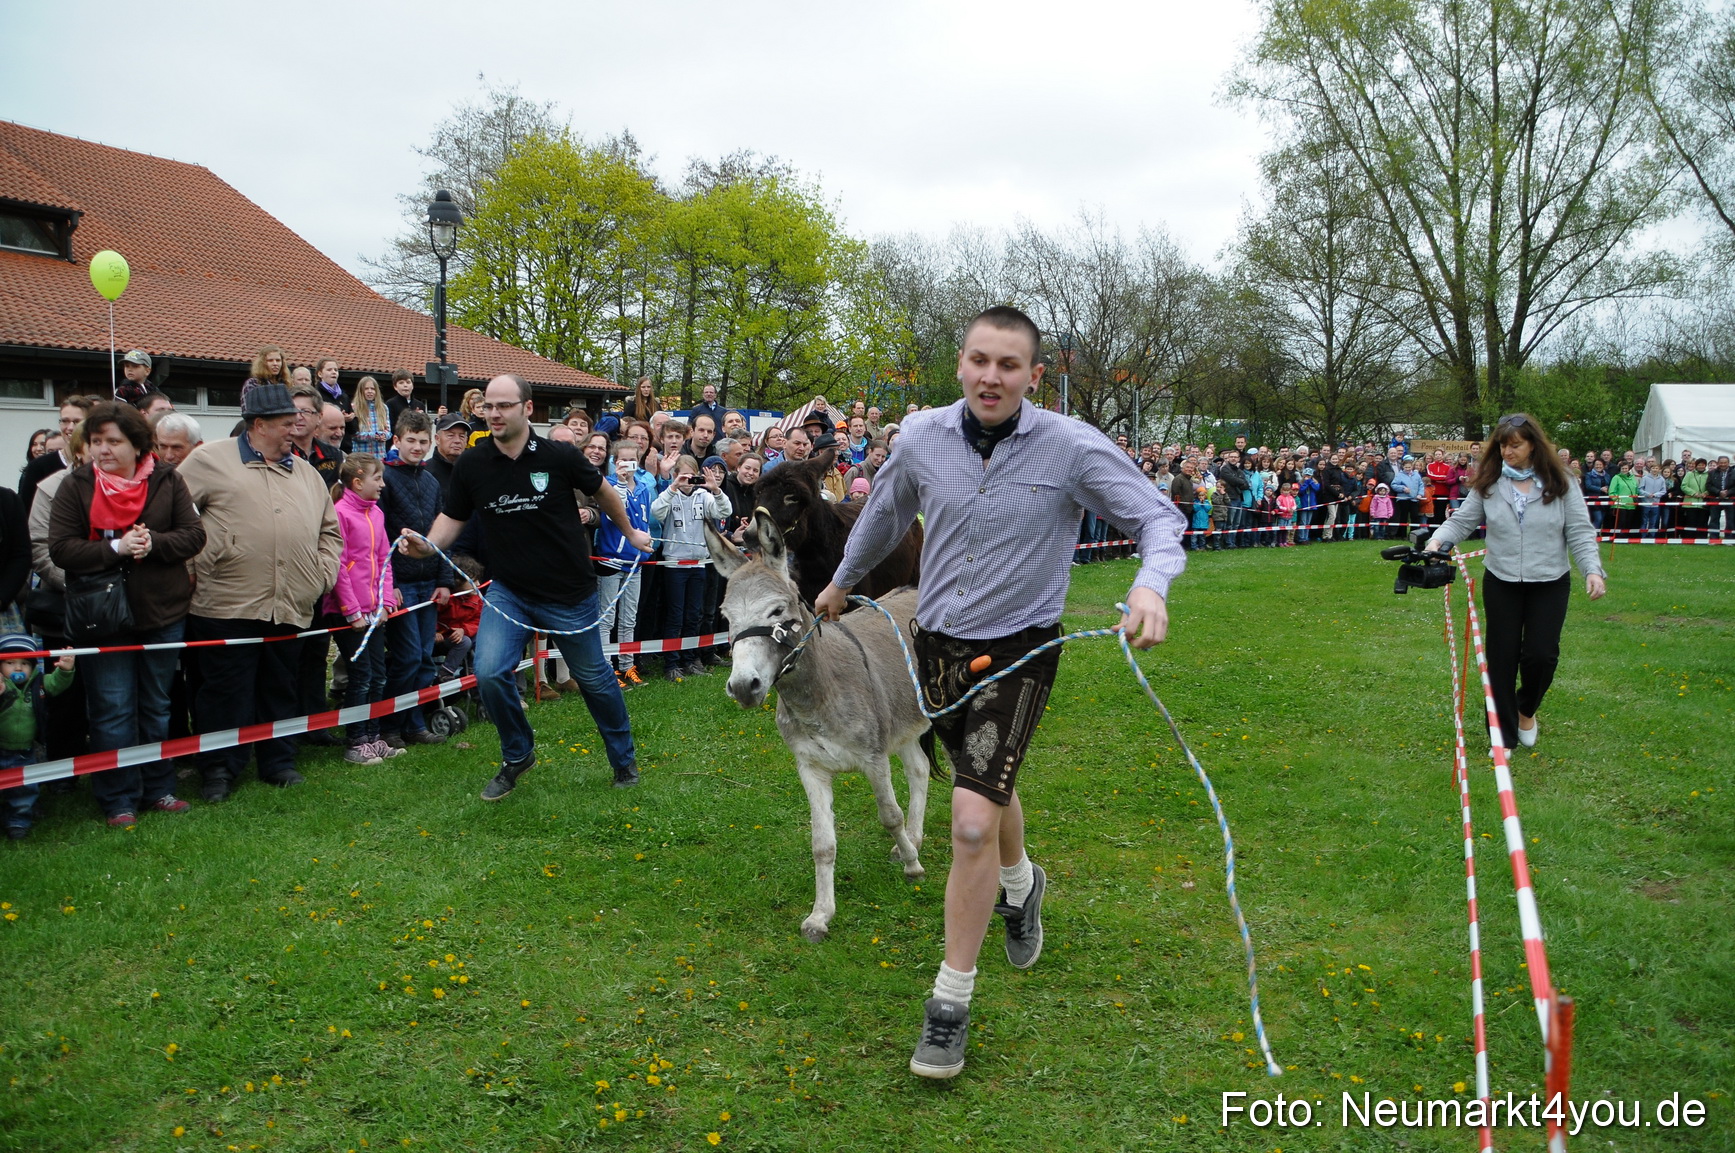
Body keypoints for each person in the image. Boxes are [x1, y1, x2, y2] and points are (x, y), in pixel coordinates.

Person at [813, 305, 1183, 1081]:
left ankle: (948, 1003)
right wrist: (840, 583)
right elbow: (883, 514)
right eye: (980, 360)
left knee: (971, 819)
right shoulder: (919, 437)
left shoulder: (1072, 446)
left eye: (1008, 365)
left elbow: (1157, 518)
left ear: (1032, 375)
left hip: (1021, 648)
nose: (991, 376)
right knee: (989, 783)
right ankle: (1022, 883)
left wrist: (1151, 588)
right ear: (960, 362)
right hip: (936, 645)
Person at [399, 374, 655, 798]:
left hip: (569, 594)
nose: (494, 413)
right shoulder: (474, 464)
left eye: (504, 405)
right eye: (489, 407)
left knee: (594, 680)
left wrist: (629, 532)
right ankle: (518, 754)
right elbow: (452, 519)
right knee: (489, 671)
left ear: (527, 409)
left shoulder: (559, 456)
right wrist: (427, 546)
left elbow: (605, 492)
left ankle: (623, 760)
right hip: (509, 593)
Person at [176, 383, 342, 801]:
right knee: (224, 693)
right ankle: (218, 769)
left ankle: (278, 760)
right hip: (225, 602)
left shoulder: (305, 472)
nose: (296, 428)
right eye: (287, 422)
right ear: (259, 424)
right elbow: (172, 517)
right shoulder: (208, 460)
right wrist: (193, 567)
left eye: (299, 420)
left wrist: (321, 575)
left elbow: (330, 532)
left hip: (290, 603)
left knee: (279, 685)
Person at [48, 401, 205, 824]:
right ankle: (117, 797)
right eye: (96, 441)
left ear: (137, 445)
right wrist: (114, 549)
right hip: (101, 618)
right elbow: (60, 549)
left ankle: (158, 788)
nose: (103, 450)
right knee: (113, 708)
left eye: (113, 441)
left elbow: (193, 536)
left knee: (156, 705)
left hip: (162, 613)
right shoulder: (76, 485)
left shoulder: (168, 480)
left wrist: (154, 543)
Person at [1425, 413, 1604, 750]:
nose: (1508, 452)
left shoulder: (1562, 480)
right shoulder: (1490, 482)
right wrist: (1438, 541)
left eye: (1516, 445)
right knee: (1501, 658)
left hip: (1550, 580)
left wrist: (1592, 570)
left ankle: (1526, 709)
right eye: (1503, 445)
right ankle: (1502, 736)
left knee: (1541, 655)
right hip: (1502, 579)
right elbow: (1463, 520)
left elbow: (1579, 530)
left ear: (1533, 444)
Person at [325, 453, 404, 766]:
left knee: (378, 675)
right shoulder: (340, 513)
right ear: (357, 482)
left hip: (374, 612)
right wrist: (352, 609)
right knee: (361, 676)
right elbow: (339, 566)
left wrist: (385, 602)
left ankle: (374, 735)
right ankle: (356, 741)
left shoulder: (377, 514)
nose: (383, 484)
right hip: (348, 614)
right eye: (377, 478)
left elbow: (385, 559)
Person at [377, 410, 450, 749]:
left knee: (424, 658)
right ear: (397, 441)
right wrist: (387, 583)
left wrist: (445, 580)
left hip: (428, 580)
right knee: (405, 658)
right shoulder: (386, 480)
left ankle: (415, 723)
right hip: (400, 584)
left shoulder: (432, 481)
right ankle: (389, 725)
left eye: (423, 441)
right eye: (411, 441)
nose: (418, 447)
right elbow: (379, 537)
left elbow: (442, 535)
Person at [651, 454, 730, 679]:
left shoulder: (704, 496)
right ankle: (671, 663)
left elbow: (725, 512)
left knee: (694, 615)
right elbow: (655, 513)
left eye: (691, 476)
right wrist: (673, 487)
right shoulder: (670, 495)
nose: (687, 480)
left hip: (698, 563)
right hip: (675, 565)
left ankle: (690, 659)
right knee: (676, 615)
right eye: (682, 475)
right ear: (676, 475)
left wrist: (716, 490)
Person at [0, 635, 75, 840]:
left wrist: (65, 670)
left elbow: (56, 684)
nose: (17, 668)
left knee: (23, 788)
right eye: (10, 663)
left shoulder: (38, 684)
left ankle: (18, 821)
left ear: (33, 666)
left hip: (24, 751)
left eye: (24, 663)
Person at [594, 441, 654, 689]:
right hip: (611, 560)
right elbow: (611, 513)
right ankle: (607, 668)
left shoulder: (643, 489)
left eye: (632, 461)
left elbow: (645, 522)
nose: (627, 466)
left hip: (635, 562)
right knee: (607, 618)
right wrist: (619, 482)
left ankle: (627, 665)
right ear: (614, 461)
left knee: (629, 619)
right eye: (622, 460)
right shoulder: (607, 486)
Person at [19, 396, 98, 513]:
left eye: (77, 421)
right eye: (65, 421)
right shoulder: (38, 467)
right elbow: (25, 511)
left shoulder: (103, 463)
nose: (70, 428)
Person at [351, 376, 393, 457]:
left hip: (379, 456)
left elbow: (388, 431)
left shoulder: (383, 408)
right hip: (361, 456)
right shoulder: (354, 408)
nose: (370, 391)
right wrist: (372, 436)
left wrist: (384, 436)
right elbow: (354, 435)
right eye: (366, 389)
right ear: (361, 391)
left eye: (372, 389)